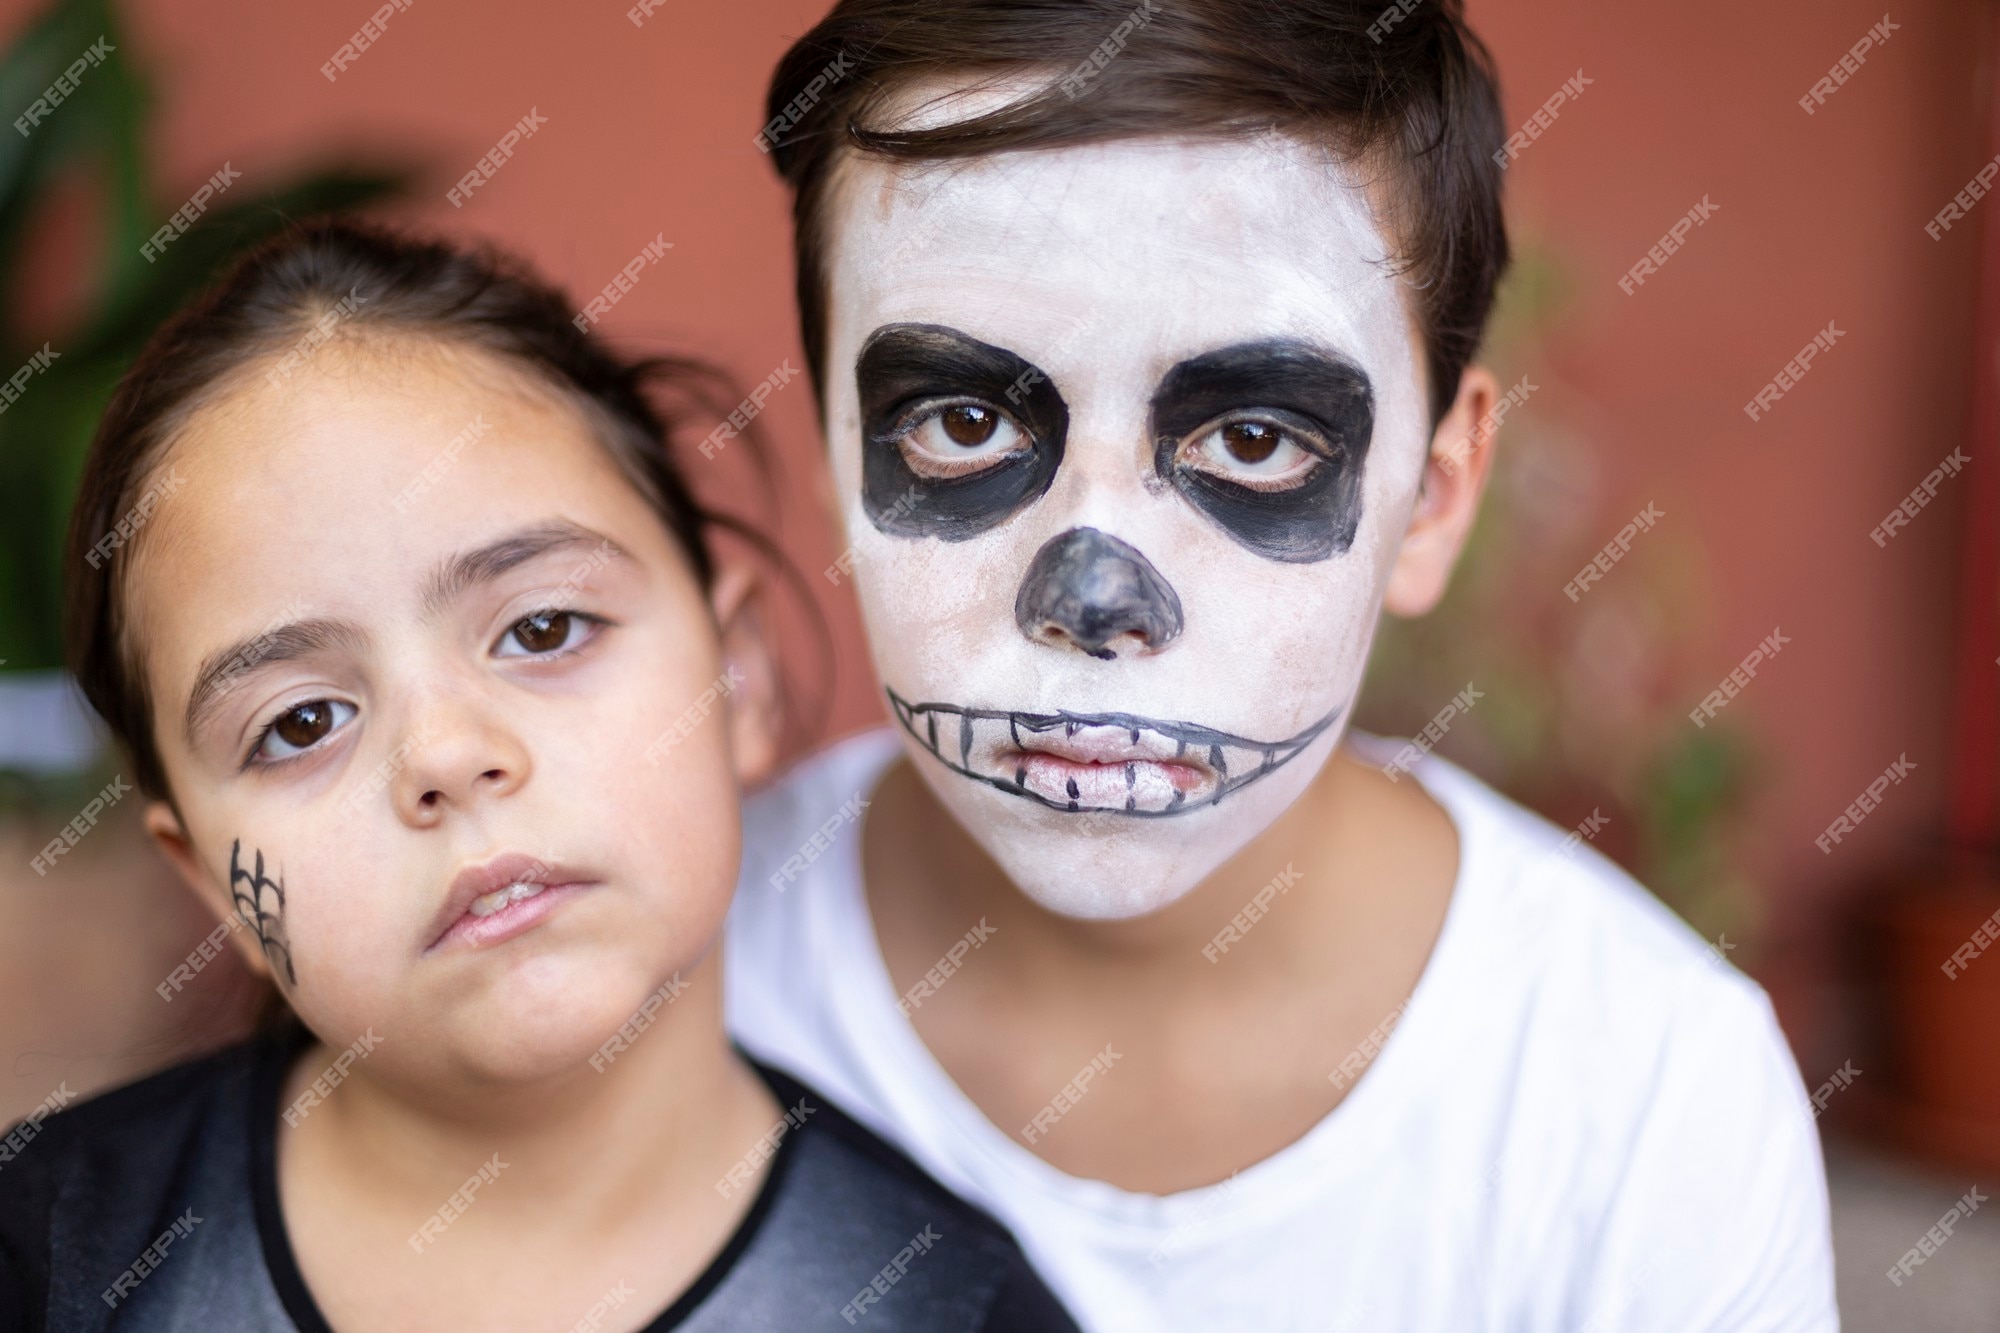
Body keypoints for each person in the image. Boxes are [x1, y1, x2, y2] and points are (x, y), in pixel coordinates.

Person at [725, 2, 1841, 1329]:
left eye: (1255, 440)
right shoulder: (672, 971)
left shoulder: (1648, 1107)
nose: (1094, 599)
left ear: (1432, 496)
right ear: (837, 453)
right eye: (962, 421)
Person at [0, 220, 1077, 1333]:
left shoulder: (947, 1302)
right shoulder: (48, 1259)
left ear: (738, 679)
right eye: (301, 721)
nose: (446, 755)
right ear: (210, 879)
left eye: (545, 626)